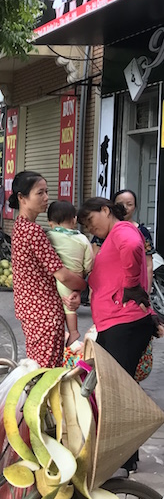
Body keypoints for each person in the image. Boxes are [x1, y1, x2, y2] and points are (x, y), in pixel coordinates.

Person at [77, 196, 158, 474]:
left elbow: (135, 247)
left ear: (105, 210)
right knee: (115, 389)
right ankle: (126, 457)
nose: (90, 227)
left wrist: (132, 284)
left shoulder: (122, 230)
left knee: (116, 392)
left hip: (125, 324)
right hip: (116, 323)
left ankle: (122, 461)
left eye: (91, 220)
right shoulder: (112, 236)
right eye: (85, 225)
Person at [9, 171, 87, 368]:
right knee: (45, 372)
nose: (46, 198)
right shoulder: (33, 231)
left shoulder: (20, 226)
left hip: (29, 308)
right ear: (22, 198)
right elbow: (61, 274)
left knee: (36, 368)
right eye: (40, 193)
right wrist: (84, 284)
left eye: (47, 192)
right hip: (43, 312)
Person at [47, 200, 94, 348]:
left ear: (50, 222)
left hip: (63, 277)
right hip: (78, 275)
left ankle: (73, 332)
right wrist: (84, 271)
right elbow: (90, 261)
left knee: (68, 306)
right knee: (70, 305)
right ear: (74, 219)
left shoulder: (50, 237)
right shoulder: (82, 238)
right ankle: (72, 331)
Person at [113, 189, 154, 291]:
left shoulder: (142, 232)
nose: (125, 208)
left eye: (129, 204)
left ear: (135, 207)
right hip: (110, 285)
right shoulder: (105, 230)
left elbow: (148, 264)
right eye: (120, 204)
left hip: (134, 287)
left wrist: (146, 292)